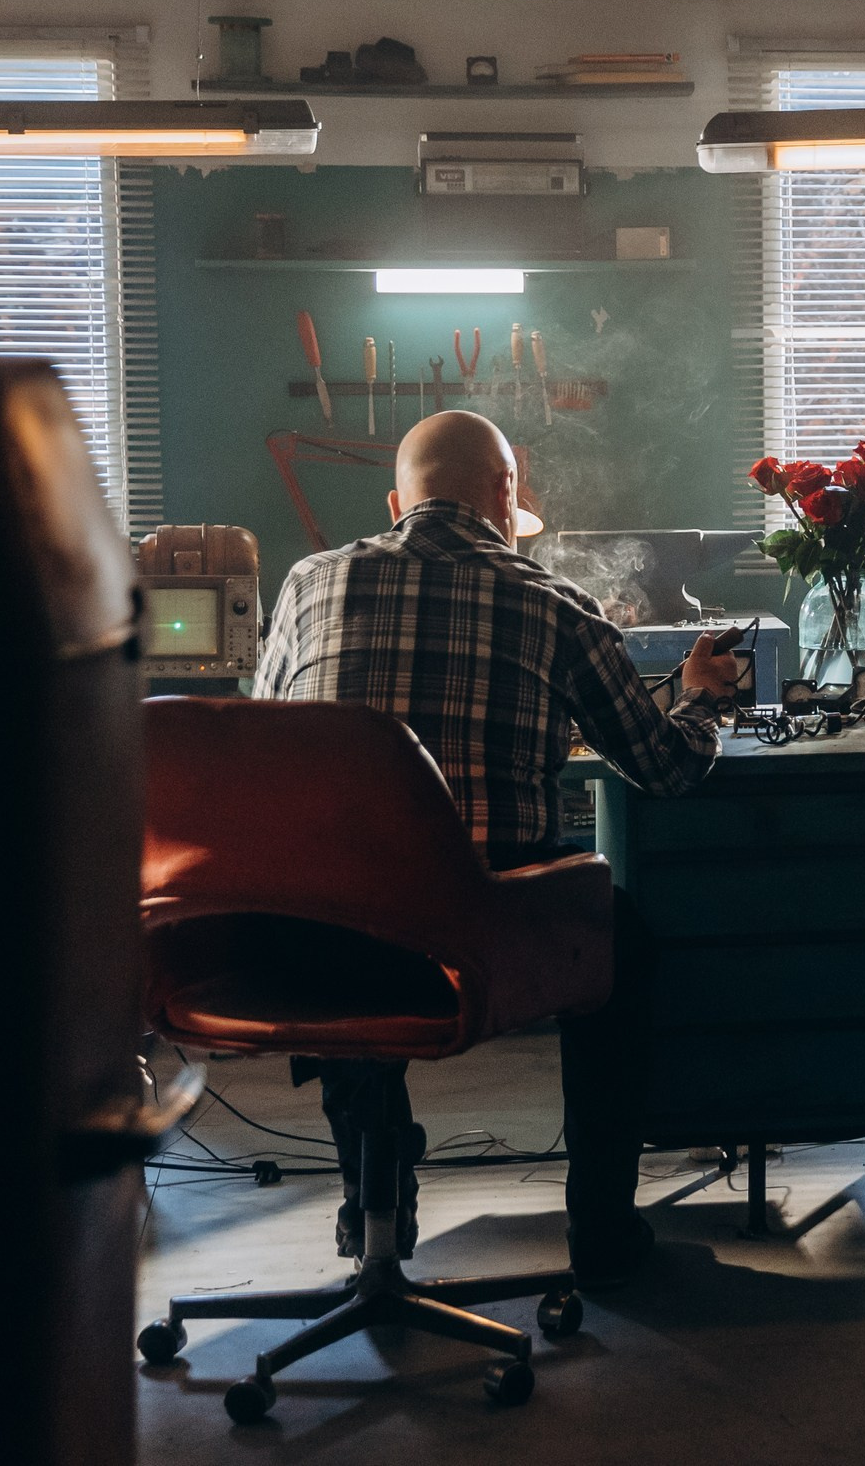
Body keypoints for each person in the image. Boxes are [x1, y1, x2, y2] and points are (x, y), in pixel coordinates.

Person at [254, 410, 739, 1285]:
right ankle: (600, 1231)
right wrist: (701, 697)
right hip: (485, 933)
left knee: (340, 909)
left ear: (397, 501)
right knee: (622, 945)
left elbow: (267, 748)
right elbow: (663, 769)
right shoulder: (555, 601)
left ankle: (377, 1191)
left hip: (328, 932)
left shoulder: (308, 584)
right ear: (506, 495)